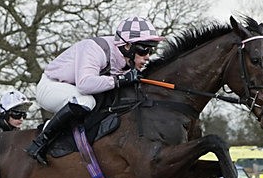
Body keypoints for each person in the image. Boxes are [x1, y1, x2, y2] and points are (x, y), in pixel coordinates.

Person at [24, 16, 165, 165]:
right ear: (127, 46)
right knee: (87, 101)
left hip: (71, 90)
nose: (147, 57)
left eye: (151, 50)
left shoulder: (124, 58)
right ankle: (41, 141)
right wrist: (120, 80)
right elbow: (84, 84)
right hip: (50, 87)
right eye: (143, 50)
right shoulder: (95, 49)